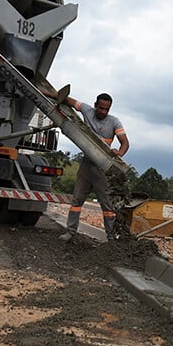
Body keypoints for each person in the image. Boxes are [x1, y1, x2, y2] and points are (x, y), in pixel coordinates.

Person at [52, 92, 129, 242]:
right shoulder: (87, 110)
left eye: (107, 109)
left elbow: (125, 143)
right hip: (86, 166)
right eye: (101, 108)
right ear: (95, 105)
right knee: (76, 201)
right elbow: (69, 101)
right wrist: (50, 94)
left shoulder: (114, 122)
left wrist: (118, 153)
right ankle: (70, 232)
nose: (103, 112)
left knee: (107, 206)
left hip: (102, 169)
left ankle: (111, 238)